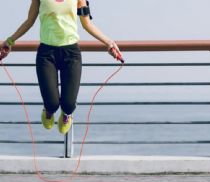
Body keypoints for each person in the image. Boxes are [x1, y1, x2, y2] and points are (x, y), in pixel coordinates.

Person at [0, 0, 122, 134]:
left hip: (71, 54)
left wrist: (109, 42)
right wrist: (10, 41)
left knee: (69, 105)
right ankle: (49, 111)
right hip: (46, 54)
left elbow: (87, 24)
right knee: (51, 104)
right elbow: (29, 21)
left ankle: (66, 114)